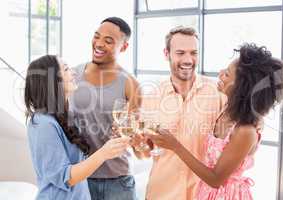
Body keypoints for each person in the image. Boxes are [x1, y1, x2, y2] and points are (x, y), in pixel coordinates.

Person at [146, 43, 283, 200]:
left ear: (242, 87)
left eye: (227, 74)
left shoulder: (245, 131)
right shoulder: (226, 109)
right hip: (206, 192)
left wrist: (175, 145)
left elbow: (216, 179)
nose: (220, 74)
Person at [25, 55, 130, 200]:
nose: (74, 72)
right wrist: (104, 153)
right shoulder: (42, 124)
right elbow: (66, 178)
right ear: (50, 80)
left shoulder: (66, 116)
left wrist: (110, 141)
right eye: (66, 69)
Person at [140, 26, 226, 200]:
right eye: (180, 53)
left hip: (204, 193)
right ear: (166, 53)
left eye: (193, 53)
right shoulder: (152, 97)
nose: (188, 60)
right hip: (162, 192)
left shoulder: (218, 94)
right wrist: (138, 143)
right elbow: (146, 149)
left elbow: (229, 143)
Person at [69, 17, 141, 200]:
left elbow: (135, 134)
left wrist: (131, 136)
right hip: (80, 177)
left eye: (108, 41)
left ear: (123, 47)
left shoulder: (131, 84)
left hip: (118, 181)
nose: (99, 44)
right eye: (96, 36)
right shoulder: (72, 76)